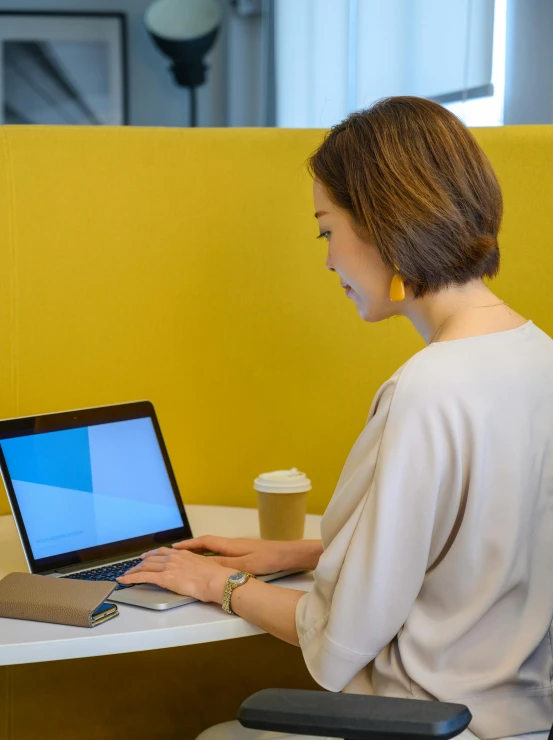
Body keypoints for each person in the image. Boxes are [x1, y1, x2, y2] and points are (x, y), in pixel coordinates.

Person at [117, 96, 553, 740]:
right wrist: (303, 552)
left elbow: (338, 637)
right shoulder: (537, 355)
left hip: (424, 725)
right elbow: (477, 547)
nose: (326, 259)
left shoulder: (426, 389)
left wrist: (220, 582)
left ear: (383, 221)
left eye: (327, 229)